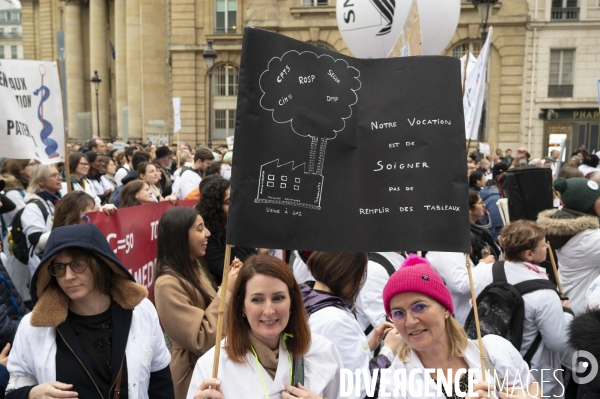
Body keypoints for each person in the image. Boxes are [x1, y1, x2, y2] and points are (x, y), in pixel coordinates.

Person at [6, 223, 174, 398]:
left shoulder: (141, 311)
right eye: (59, 267)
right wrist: (30, 394)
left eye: (78, 264)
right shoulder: (33, 326)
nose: (68, 276)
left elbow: (160, 383)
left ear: (100, 263)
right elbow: (12, 391)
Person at [378, 255, 539, 399]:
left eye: (419, 307)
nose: (410, 322)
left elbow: (532, 386)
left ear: (446, 309)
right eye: (398, 313)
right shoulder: (394, 385)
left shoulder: (494, 351)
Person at [187, 254, 343, 399]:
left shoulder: (323, 352)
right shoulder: (213, 367)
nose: (269, 311)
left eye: (278, 298)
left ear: (292, 301)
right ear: (242, 305)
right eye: (257, 300)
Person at [472, 221, 573, 398]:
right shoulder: (544, 293)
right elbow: (558, 341)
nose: (546, 247)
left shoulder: (484, 272)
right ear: (528, 254)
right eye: (543, 245)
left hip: (489, 368)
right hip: (532, 380)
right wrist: (567, 314)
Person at [154, 207, 241, 399]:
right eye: (200, 229)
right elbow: (202, 339)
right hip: (193, 375)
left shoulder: (194, 265)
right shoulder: (167, 284)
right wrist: (227, 289)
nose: (208, 233)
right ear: (180, 236)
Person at [302, 251, 394, 399]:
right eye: (362, 276)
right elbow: (362, 390)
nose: (361, 283)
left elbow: (333, 356)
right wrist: (388, 352)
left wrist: (367, 345)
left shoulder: (306, 298)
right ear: (347, 273)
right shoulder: (336, 319)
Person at [537, 177, 600, 315]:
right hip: (585, 311)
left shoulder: (575, 231)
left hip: (573, 303)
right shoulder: (589, 238)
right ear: (586, 204)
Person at [196, 176, 257, 285]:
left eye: (236, 200)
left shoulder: (241, 223)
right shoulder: (208, 235)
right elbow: (230, 270)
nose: (235, 206)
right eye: (228, 203)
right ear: (216, 208)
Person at [21, 165, 62, 279]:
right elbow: (37, 239)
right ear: (40, 181)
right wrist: (68, 230)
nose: (59, 178)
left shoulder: (56, 201)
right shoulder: (33, 207)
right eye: (54, 175)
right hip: (44, 266)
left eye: (59, 174)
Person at [468, 190, 499, 265]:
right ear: (470, 209)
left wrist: (498, 241)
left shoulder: (482, 226)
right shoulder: (468, 235)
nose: (484, 205)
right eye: (480, 203)